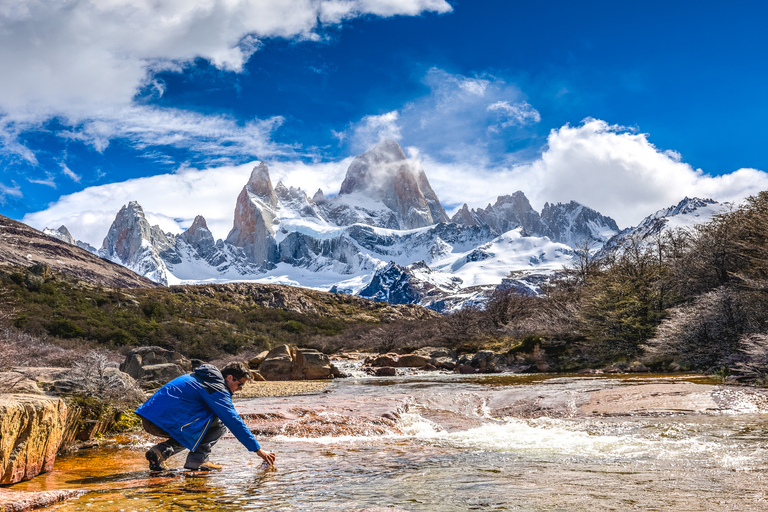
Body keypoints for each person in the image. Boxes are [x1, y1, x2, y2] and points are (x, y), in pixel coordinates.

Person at [135, 361, 276, 471]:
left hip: (149, 418)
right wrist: (258, 450)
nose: (240, 389)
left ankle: (159, 453)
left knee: (200, 422)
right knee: (219, 422)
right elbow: (233, 420)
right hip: (164, 422)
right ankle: (197, 460)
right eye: (240, 385)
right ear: (229, 377)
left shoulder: (201, 377)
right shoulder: (217, 387)